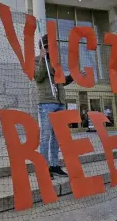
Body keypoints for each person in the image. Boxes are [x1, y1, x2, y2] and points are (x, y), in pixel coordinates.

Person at [35, 34, 84, 179]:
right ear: (44, 47)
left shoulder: (57, 64)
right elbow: (38, 77)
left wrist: (75, 76)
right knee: (46, 135)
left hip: (60, 102)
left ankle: (54, 165)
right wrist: (43, 59)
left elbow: (62, 81)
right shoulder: (37, 60)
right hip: (47, 102)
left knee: (57, 136)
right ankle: (43, 168)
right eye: (50, 46)